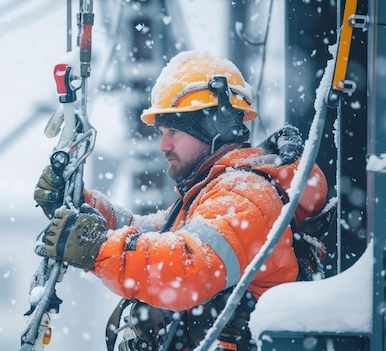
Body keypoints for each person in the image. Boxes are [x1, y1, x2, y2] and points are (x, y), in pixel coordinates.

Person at [33, 50, 328, 351]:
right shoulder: (214, 191)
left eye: (173, 131)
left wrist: (97, 246)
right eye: (161, 132)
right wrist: (85, 208)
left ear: (218, 125)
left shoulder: (245, 194)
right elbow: (151, 233)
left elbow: (186, 266)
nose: (163, 145)